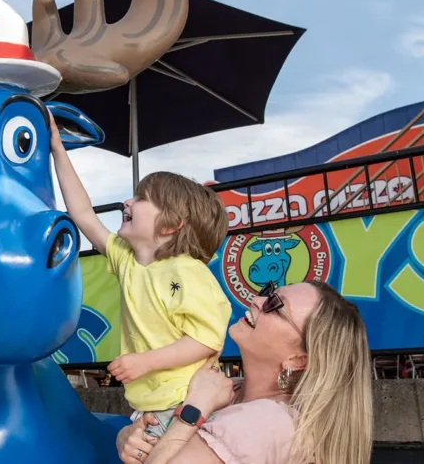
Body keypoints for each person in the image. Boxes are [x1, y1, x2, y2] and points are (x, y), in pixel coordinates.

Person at [49, 112, 232, 437]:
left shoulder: (188, 271)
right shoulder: (128, 260)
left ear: (172, 224)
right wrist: (57, 150)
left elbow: (206, 339)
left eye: (142, 198)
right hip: (149, 408)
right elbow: (83, 215)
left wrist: (145, 362)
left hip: (187, 405)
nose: (127, 200)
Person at [116, 281, 373, 464]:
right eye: (270, 291)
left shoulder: (264, 421)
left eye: (276, 305)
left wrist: (193, 411)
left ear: (297, 359)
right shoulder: (232, 393)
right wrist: (129, 440)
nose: (257, 299)